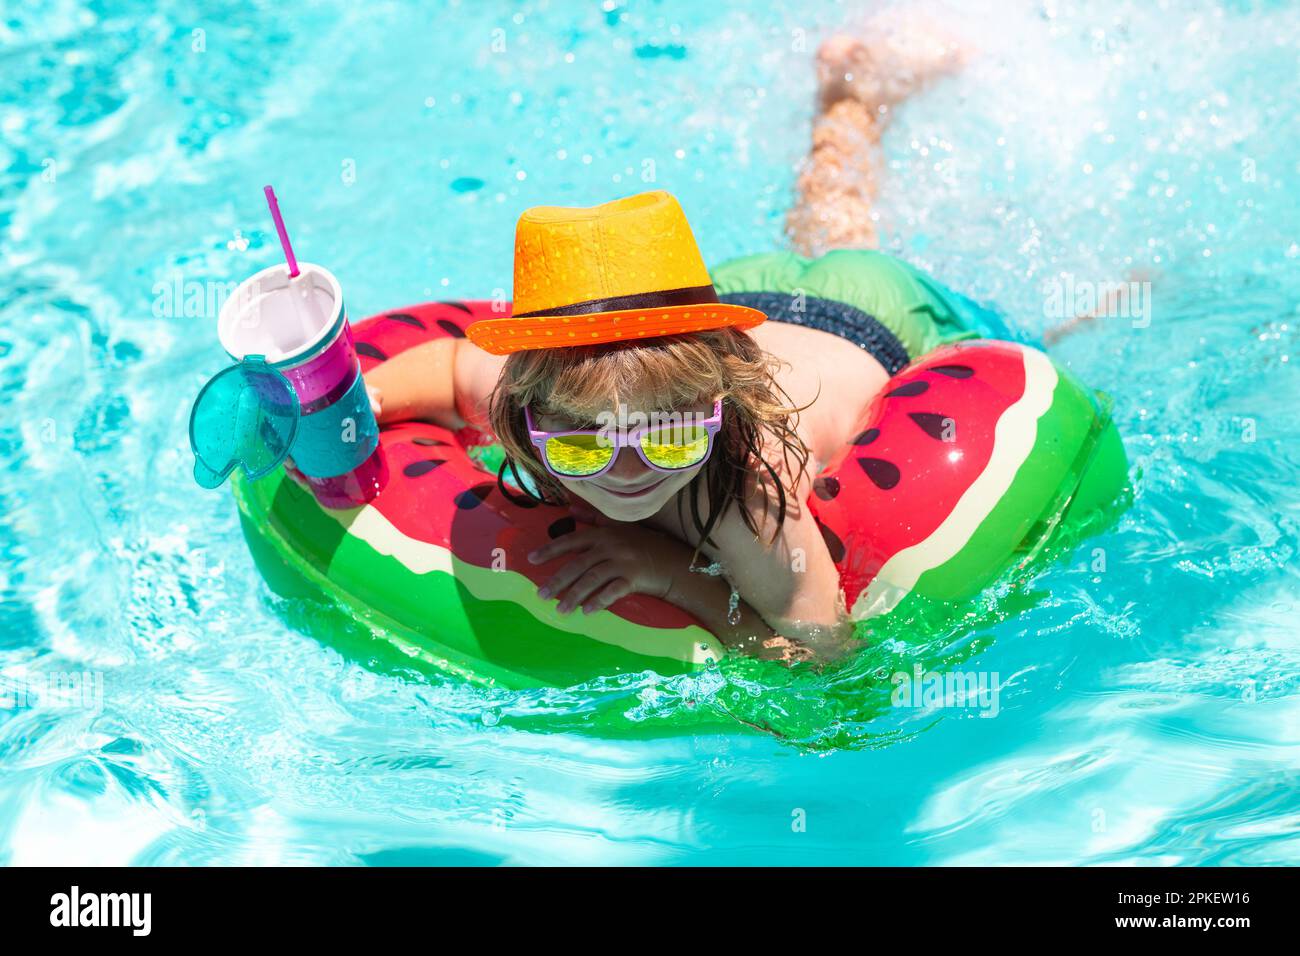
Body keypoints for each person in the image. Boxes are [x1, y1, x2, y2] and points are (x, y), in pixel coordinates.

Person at [365, 24, 970, 662]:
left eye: (670, 437)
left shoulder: (748, 495)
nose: (628, 473)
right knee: (821, 216)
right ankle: (846, 92)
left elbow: (824, 656)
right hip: (705, 311)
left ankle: (857, 95)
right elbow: (450, 366)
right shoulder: (554, 384)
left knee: (849, 228)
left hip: (866, 314)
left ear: (720, 410)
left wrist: (669, 573)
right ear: (527, 419)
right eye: (579, 445)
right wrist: (351, 407)